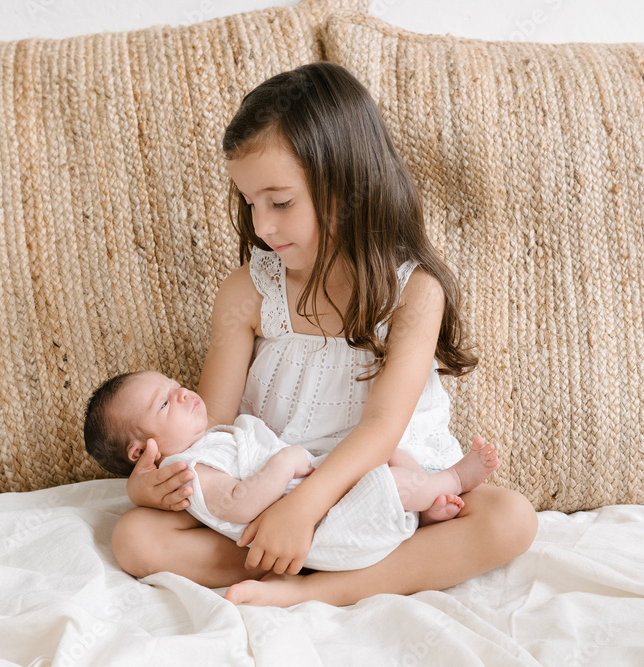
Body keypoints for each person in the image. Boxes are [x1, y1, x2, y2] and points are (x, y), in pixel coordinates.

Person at [109, 62, 538, 607]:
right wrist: (150, 486)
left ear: (345, 185)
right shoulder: (247, 292)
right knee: (134, 537)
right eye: (250, 203)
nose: (262, 225)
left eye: (280, 202)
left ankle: (325, 586)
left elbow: (382, 427)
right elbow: (210, 428)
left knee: (510, 520)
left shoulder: (413, 292)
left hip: (380, 491)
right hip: (270, 491)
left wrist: (306, 508)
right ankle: (288, 555)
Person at [84, 369, 501, 570]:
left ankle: (421, 511)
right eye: (164, 403)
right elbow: (235, 505)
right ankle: (452, 479)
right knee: (388, 480)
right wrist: (287, 461)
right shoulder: (188, 467)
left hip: (323, 492)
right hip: (321, 528)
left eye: (175, 387)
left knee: (393, 456)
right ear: (141, 451)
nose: (182, 395)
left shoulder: (210, 440)